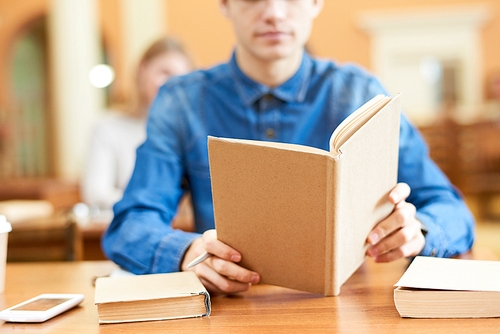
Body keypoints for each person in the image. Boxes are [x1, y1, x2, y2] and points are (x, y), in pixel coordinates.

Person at [102, 0, 475, 295]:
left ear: (315, 2)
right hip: (229, 309)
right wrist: (185, 254)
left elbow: (451, 208)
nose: (275, 13)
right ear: (224, 4)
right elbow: (129, 225)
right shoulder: (181, 101)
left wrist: (419, 230)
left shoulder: (360, 93)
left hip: (347, 305)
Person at [81, 37, 193, 215]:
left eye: (181, 78)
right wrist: (152, 203)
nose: (172, 84)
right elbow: (96, 193)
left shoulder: (189, 133)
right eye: (165, 72)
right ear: (142, 69)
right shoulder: (107, 127)